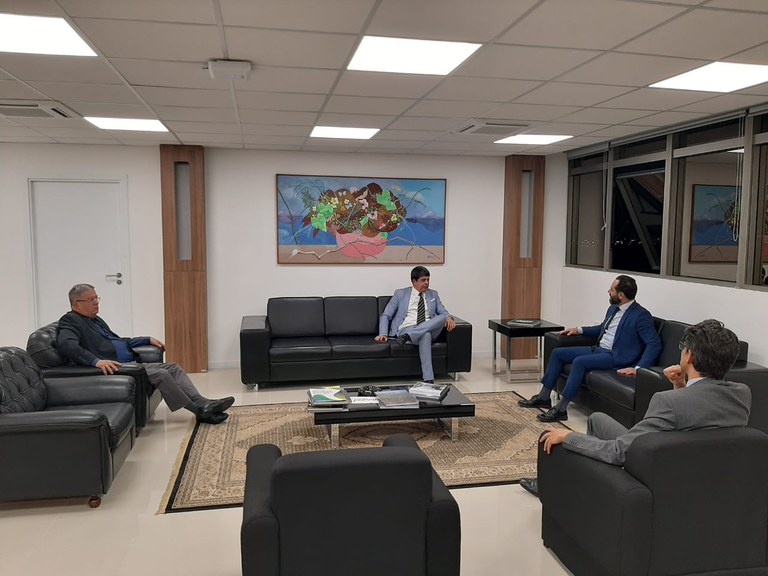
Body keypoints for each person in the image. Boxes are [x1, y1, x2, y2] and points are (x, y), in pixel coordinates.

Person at [520, 318, 751, 496]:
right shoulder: (742, 394)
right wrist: (680, 385)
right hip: (696, 471)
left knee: (567, 438)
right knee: (597, 419)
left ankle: (557, 486)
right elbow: (695, 417)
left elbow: (618, 452)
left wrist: (569, 436)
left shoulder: (666, 402)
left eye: (682, 347)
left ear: (689, 356)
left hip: (654, 469)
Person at [56, 283, 234, 424]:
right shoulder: (70, 320)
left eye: (96, 297)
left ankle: (202, 402)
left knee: (173, 367)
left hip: (131, 363)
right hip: (116, 367)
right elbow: (66, 345)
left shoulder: (95, 319)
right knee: (162, 374)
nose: (96, 302)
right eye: (91, 299)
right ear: (76, 304)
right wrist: (96, 361)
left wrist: (145, 339)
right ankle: (200, 411)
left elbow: (117, 341)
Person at [519, 275, 661, 422]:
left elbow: (654, 344)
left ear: (621, 295)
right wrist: (579, 330)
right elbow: (602, 328)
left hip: (615, 357)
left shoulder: (641, 315)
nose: (608, 292)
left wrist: (638, 369)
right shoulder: (613, 308)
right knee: (558, 353)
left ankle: (561, 409)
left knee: (580, 362)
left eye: (611, 290)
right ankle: (543, 397)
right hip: (598, 349)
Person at [375, 266, 456, 383]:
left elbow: (443, 312)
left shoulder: (433, 294)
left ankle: (407, 337)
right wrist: (383, 333)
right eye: (423, 280)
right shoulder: (400, 294)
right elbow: (386, 315)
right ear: (414, 281)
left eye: (428, 279)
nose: (426, 283)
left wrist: (448, 317)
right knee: (426, 335)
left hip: (425, 328)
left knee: (443, 317)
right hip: (407, 327)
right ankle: (428, 379)